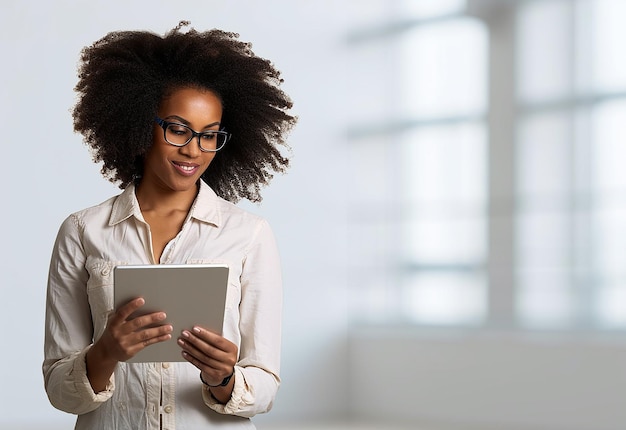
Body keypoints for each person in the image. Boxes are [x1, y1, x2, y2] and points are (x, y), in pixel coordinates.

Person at [43, 21, 296, 430]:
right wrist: (105, 352)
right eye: (178, 129)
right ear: (143, 125)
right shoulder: (82, 231)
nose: (194, 149)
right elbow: (58, 388)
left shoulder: (248, 234)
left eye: (210, 135)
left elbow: (264, 385)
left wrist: (224, 379)